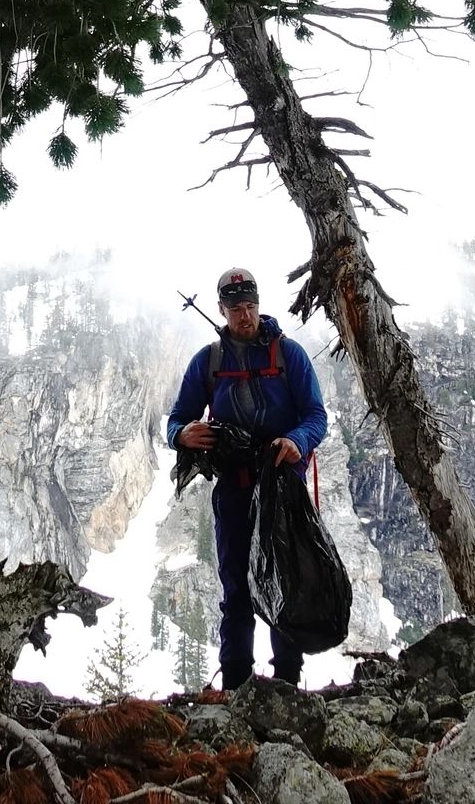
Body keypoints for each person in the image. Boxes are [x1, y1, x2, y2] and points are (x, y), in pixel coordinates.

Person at [166, 266, 328, 695]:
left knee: (284, 579)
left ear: (259, 304)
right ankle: (235, 684)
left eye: (251, 306)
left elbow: (316, 416)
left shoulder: (288, 355)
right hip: (234, 489)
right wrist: (182, 435)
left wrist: (296, 440)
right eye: (236, 308)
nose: (245, 315)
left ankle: (287, 684)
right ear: (222, 310)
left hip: (281, 489)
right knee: (236, 586)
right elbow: (177, 419)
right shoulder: (208, 362)